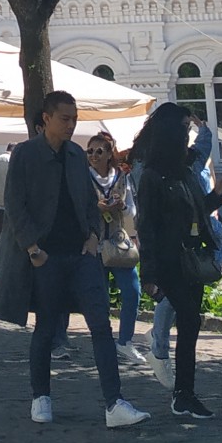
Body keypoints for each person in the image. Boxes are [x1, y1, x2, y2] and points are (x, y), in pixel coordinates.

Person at [0, 89, 148, 430]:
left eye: (75, 118)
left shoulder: (77, 155)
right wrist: (33, 249)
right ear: (46, 119)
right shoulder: (26, 155)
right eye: (65, 118)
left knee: (101, 325)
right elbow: (15, 205)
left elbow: (88, 202)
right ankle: (41, 396)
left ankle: (113, 402)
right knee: (46, 327)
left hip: (81, 254)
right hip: (46, 257)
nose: (72, 124)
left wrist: (92, 235)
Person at [132, 102, 222, 419]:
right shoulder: (152, 176)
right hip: (171, 261)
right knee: (187, 317)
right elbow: (147, 226)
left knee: (190, 323)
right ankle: (181, 389)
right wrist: (149, 274)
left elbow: (198, 211)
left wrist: (217, 196)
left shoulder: (184, 172)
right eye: (184, 129)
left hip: (192, 258)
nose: (187, 135)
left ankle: (184, 392)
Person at [83, 131, 141, 357]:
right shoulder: (83, 178)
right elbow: (78, 208)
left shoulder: (121, 177)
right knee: (100, 297)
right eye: (90, 151)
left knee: (132, 291)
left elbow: (132, 210)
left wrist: (121, 206)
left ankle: (125, 340)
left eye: (99, 151)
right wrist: (97, 208)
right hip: (93, 244)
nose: (94, 156)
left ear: (109, 154)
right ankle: (103, 341)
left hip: (118, 243)